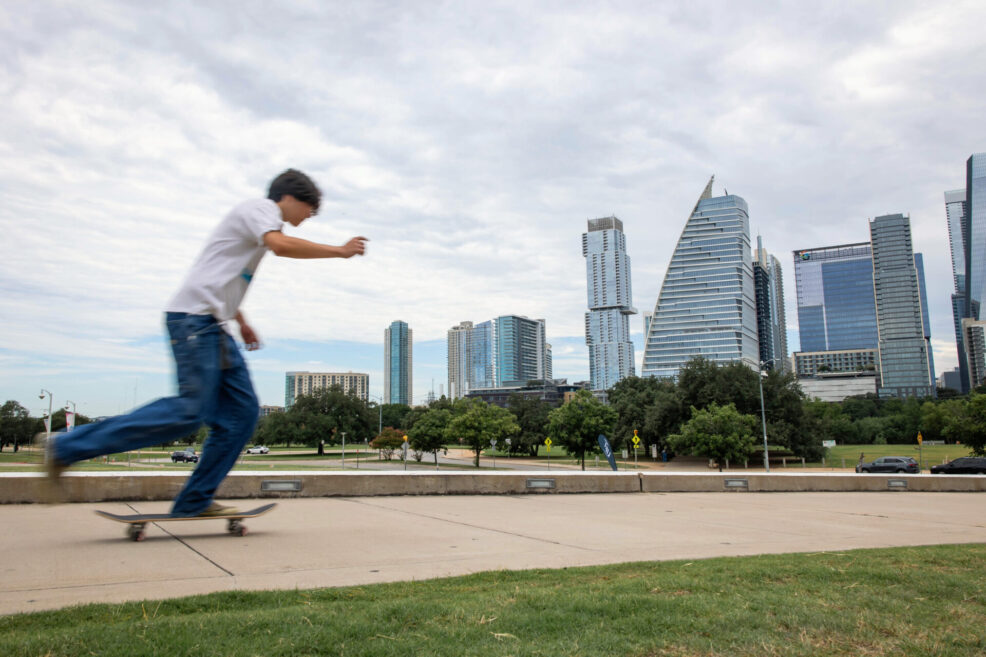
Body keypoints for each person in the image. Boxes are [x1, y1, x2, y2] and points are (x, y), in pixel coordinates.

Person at [46, 169, 367, 516]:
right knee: (189, 412)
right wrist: (339, 251)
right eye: (310, 208)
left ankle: (195, 500)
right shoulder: (262, 210)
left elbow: (223, 277)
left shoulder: (259, 223)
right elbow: (280, 246)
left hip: (214, 326)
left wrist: (241, 320)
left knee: (242, 416)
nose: (309, 216)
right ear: (290, 197)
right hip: (194, 321)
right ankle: (64, 447)